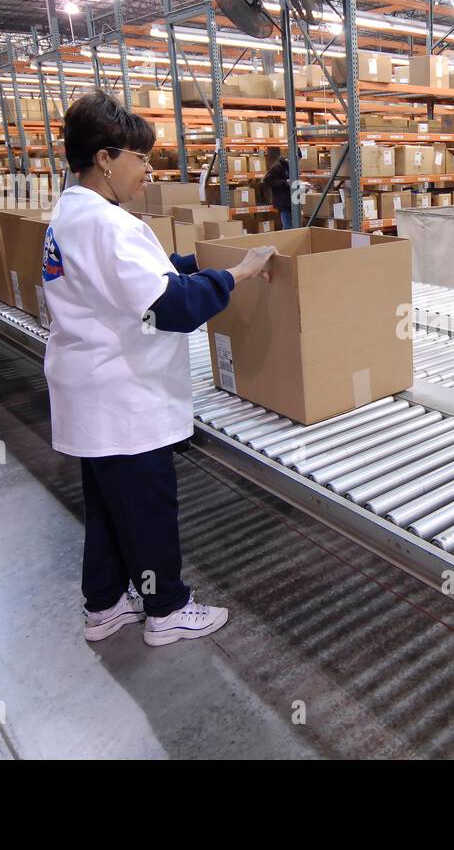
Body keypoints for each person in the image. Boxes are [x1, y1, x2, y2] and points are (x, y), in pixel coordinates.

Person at [41, 90, 275, 647]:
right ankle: (167, 609)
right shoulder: (111, 225)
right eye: (140, 158)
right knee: (146, 507)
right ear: (105, 158)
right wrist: (235, 276)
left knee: (105, 506)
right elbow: (172, 306)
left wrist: (202, 261)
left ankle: (105, 604)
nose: (148, 170)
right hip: (125, 398)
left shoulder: (72, 214)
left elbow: (139, 278)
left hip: (89, 392)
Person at [262, 146, 293, 230]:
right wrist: (285, 182)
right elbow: (267, 180)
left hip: (291, 201)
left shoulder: (290, 166)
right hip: (283, 202)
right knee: (288, 227)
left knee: (292, 226)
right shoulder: (278, 166)